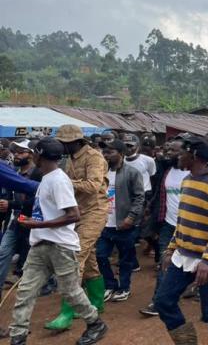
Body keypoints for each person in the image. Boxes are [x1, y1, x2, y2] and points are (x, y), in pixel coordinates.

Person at [7, 138, 109, 345]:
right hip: (40, 245)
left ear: (38, 155)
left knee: (70, 291)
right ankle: (17, 337)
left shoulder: (58, 180)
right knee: (25, 292)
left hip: (60, 246)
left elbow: (74, 215)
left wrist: (37, 225)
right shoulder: (47, 178)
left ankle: (95, 323)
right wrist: (35, 223)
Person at [153, 136, 208, 344]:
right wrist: (171, 249)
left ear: (194, 155)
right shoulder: (187, 179)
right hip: (183, 255)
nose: (177, 157)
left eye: (181, 153)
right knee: (163, 301)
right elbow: (183, 220)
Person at [47, 124, 109, 331]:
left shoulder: (94, 157)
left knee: (76, 256)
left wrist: (64, 182)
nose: (61, 147)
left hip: (95, 212)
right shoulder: (69, 159)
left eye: (64, 144)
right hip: (77, 212)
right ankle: (97, 301)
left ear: (75, 142)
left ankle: (68, 311)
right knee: (89, 260)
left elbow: (93, 186)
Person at [140, 140, 190, 317]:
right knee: (165, 261)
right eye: (167, 148)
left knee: (197, 262)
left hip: (192, 226)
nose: (168, 152)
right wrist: (150, 210)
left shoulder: (197, 172)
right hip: (169, 225)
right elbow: (158, 194)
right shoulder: (165, 170)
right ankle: (158, 301)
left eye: (174, 150)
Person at [96, 139, 144, 303]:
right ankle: (110, 285)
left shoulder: (132, 172)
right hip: (104, 223)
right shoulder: (101, 173)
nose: (106, 155)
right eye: (105, 152)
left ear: (121, 154)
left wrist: (130, 217)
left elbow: (139, 197)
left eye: (110, 152)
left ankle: (124, 288)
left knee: (125, 259)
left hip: (124, 224)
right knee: (100, 256)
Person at [0, 140, 41, 299]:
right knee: (4, 252)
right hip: (17, 219)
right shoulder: (14, 172)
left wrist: (11, 203)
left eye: (21, 152)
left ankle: (42, 284)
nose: (16, 155)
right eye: (15, 152)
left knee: (35, 255)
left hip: (33, 220)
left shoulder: (37, 173)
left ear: (31, 155)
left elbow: (37, 196)